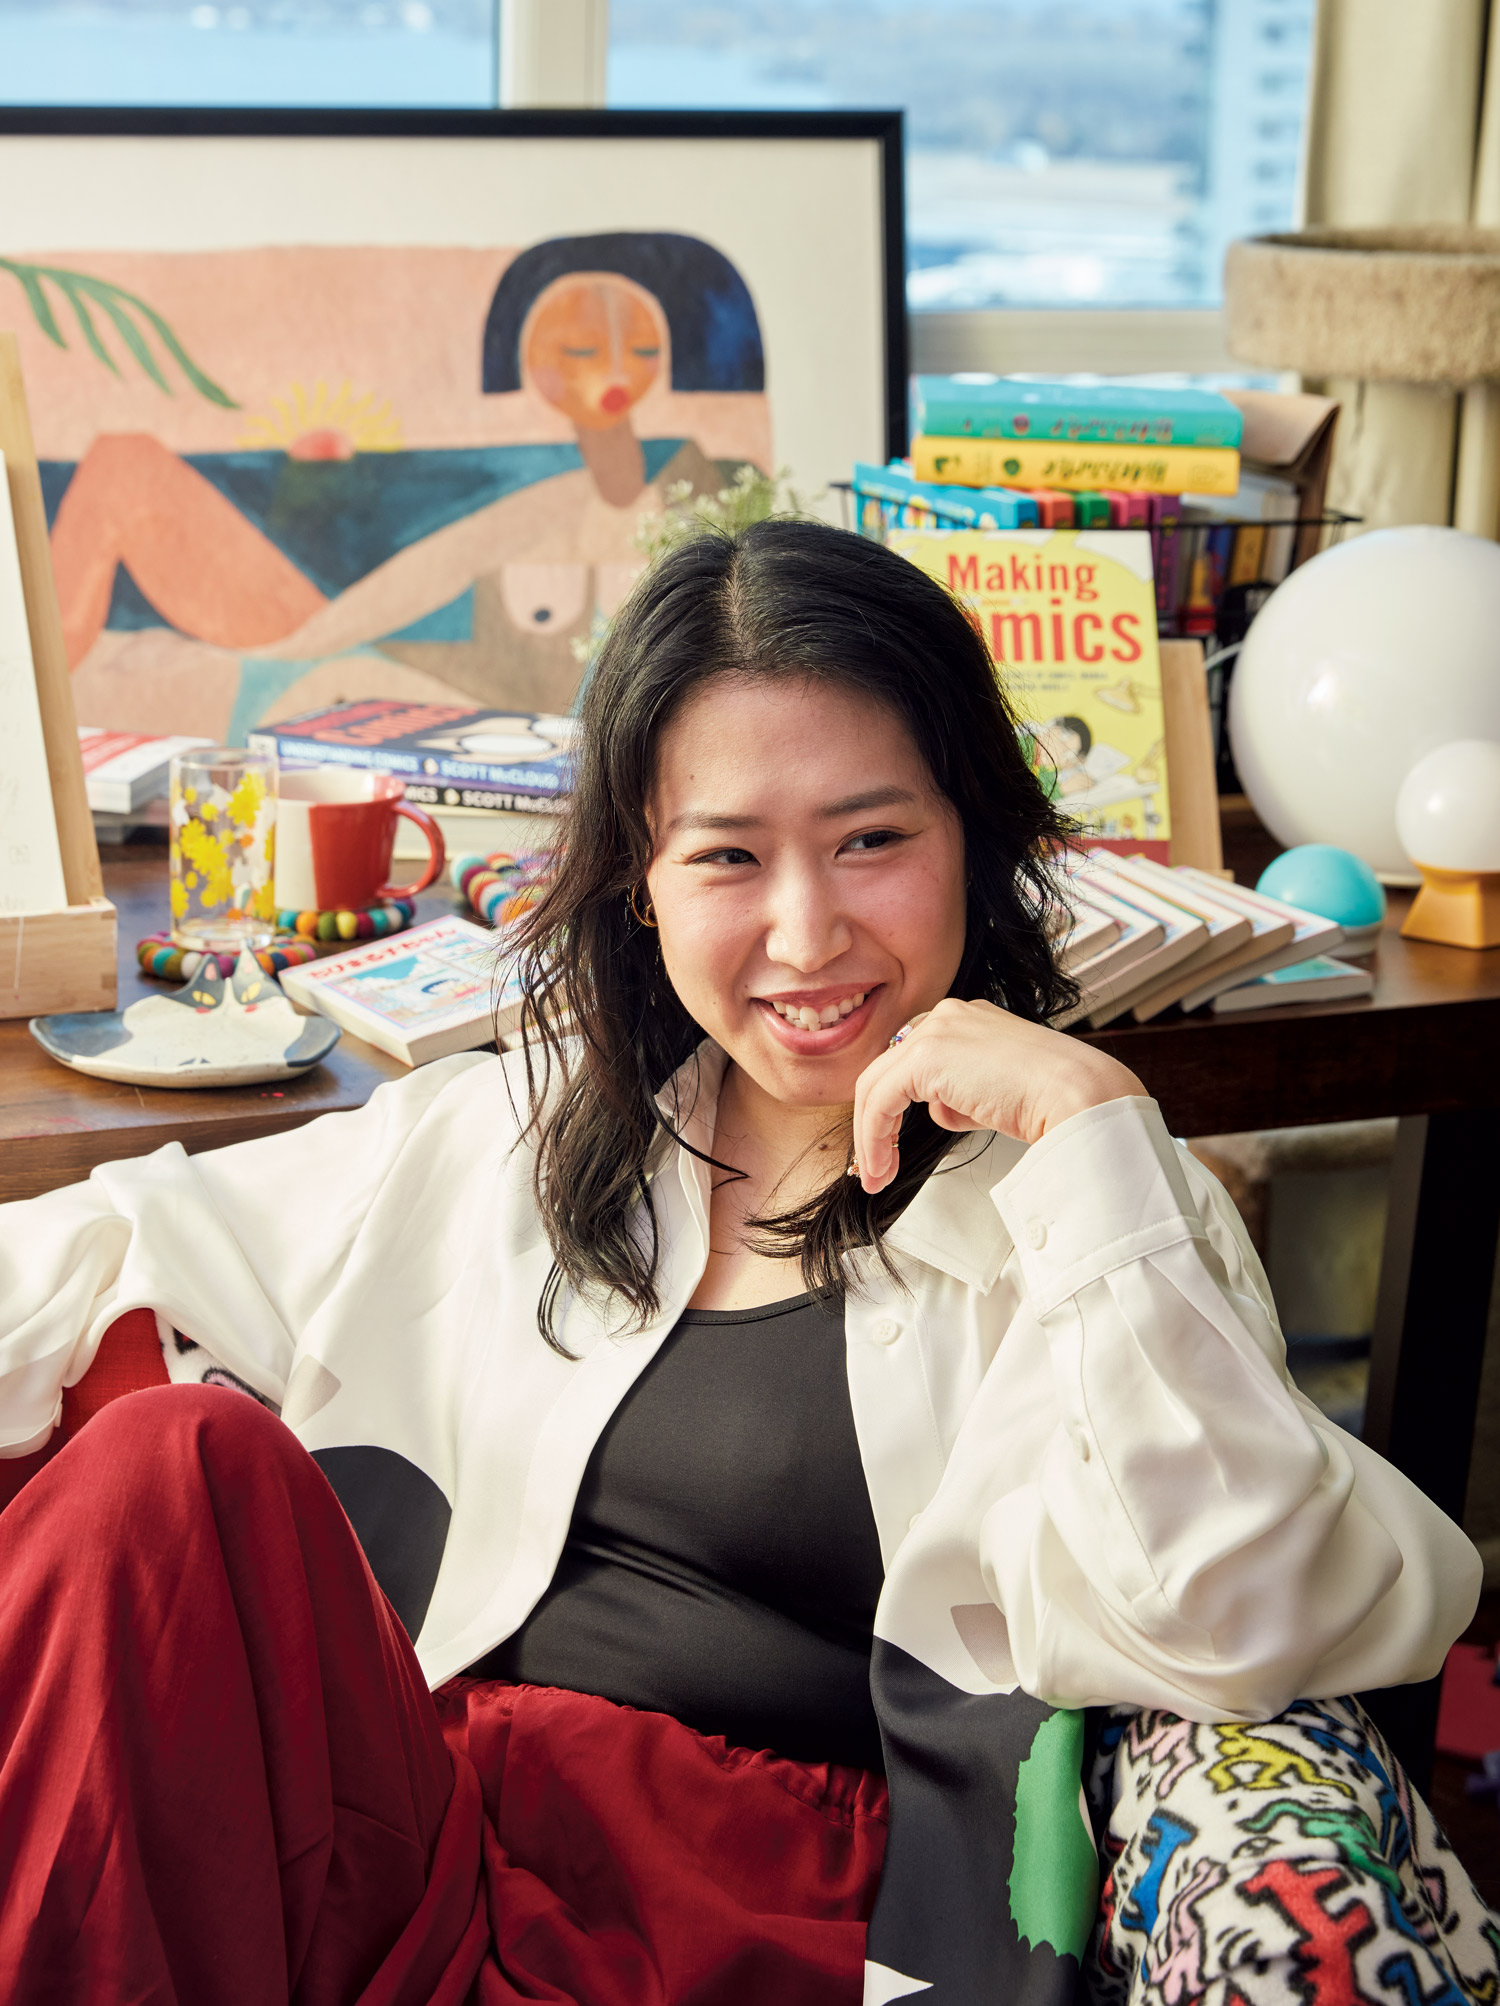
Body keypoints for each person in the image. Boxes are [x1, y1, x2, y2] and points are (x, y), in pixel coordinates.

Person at [0, 519, 1493, 2005]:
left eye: (872, 838)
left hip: (753, 1923)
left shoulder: (1090, 1210)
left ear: (975, 834)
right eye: (728, 855)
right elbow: (116, 1241)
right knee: (166, 1467)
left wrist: (1095, 1129)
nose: (806, 930)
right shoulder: (517, 1131)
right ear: (639, 886)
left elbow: (1251, 1612)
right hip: (436, 1845)